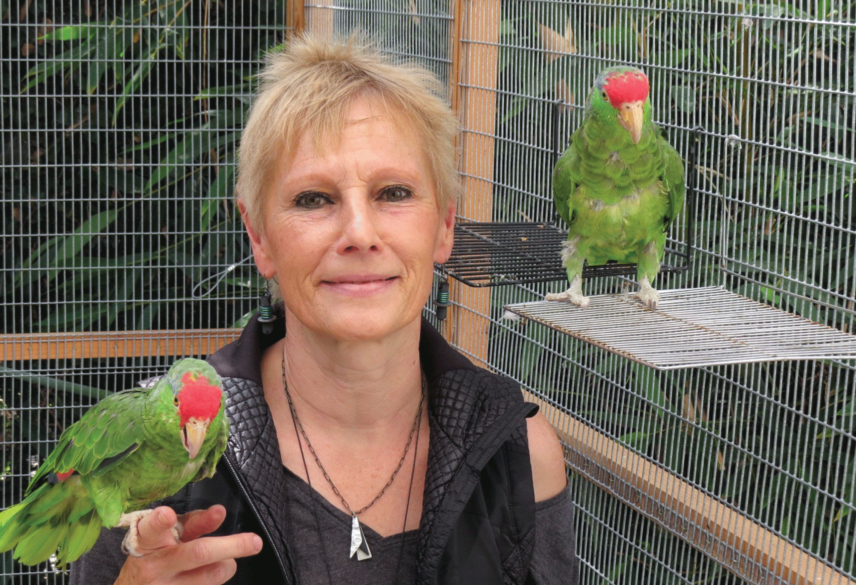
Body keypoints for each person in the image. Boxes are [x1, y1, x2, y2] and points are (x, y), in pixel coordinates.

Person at [69, 33, 578, 585]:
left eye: (394, 193)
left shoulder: (519, 453)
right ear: (259, 237)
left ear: (444, 225)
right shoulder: (151, 452)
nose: (359, 233)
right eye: (313, 199)